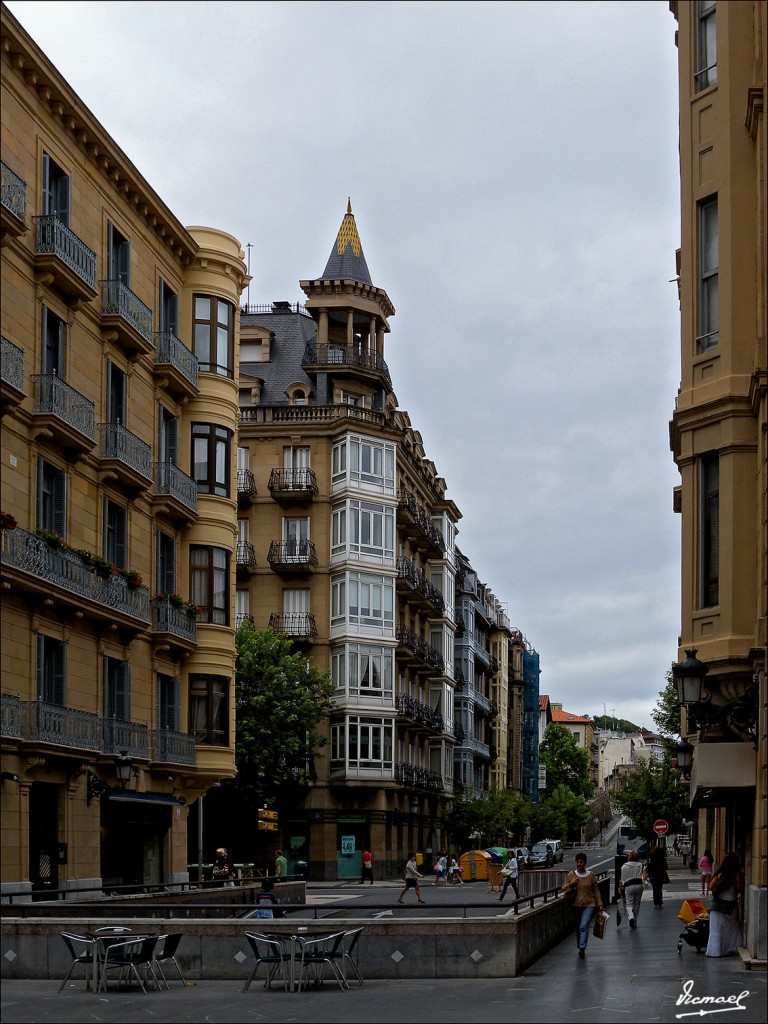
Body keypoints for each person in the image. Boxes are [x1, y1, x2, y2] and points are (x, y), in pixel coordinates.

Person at [561, 851, 604, 959]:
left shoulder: (591, 875)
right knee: (578, 926)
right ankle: (580, 944)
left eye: (581, 862)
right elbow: (563, 888)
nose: (579, 864)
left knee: (584, 925)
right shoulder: (572, 875)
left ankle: (582, 948)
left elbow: (596, 891)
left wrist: (600, 904)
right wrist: (572, 883)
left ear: (585, 863)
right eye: (577, 862)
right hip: (575, 905)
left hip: (589, 904)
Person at [706, 852, 743, 957]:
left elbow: (710, 887)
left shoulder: (720, 873)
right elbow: (738, 887)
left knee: (716, 929)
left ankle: (715, 951)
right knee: (731, 928)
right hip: (730, 906)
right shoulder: (736, 873)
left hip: (717, 906)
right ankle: (730, 948)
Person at [618, 850, 647, 929]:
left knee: (629, 903)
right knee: (637, 904)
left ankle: (631, 917)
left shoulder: (624, 866)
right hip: (639, 885)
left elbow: (622, 879)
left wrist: (620, 888)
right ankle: (635, 920)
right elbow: (644, 876)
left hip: (628, 885)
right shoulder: (641, 865)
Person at [647, 844, 669, 909]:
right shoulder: (662, 858)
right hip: (660, 875)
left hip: (653, 876)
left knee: (655, 889)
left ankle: (656, 902)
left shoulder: (652, 857)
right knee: (659, 889)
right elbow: (665, 867)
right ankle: (660, 901)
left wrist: (649, 874)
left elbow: (650, 867)